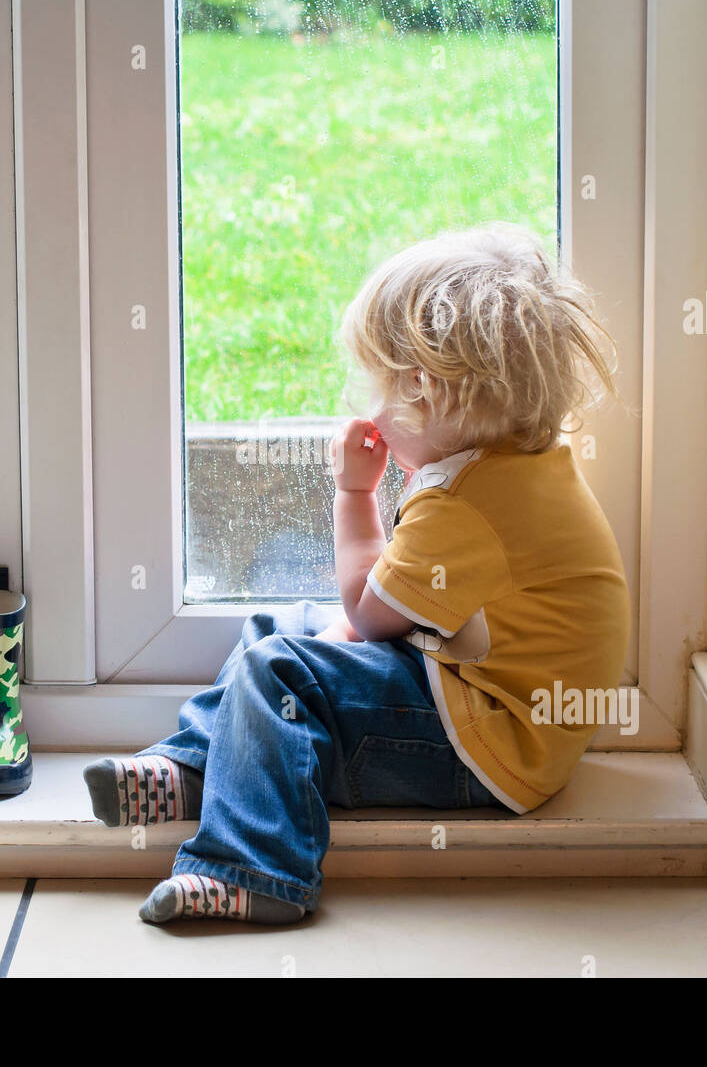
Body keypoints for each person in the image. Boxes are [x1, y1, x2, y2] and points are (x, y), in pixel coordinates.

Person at [83, 222, 631, 925]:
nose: (364, 406)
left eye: (374, 384)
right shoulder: (515, 468)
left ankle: (256, 869)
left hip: (490, 749)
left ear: (424, 392)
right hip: (483, 696)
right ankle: (197, 768)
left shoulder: (465, 509)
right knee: (273, 630)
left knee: (279, 670)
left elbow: (369, 613)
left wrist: (353, 493)